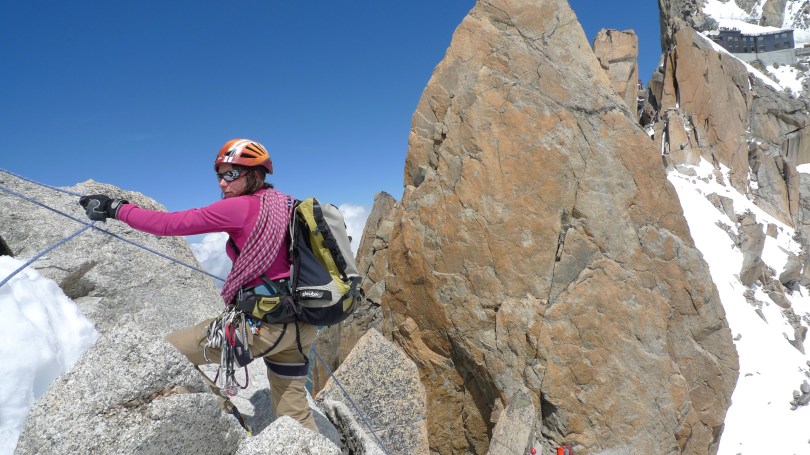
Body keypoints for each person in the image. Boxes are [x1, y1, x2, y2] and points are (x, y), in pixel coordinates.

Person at [79, 138, 318, 434]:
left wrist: (116, 208)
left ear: (255, 175)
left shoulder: (239, 208)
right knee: (296, 415)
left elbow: (168, 224)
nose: (222, 182)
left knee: (164, 354)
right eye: (219, 174)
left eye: (231, 174)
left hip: (262, 328)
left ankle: (224, 422)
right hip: (301, 326)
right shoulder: (288, 205)